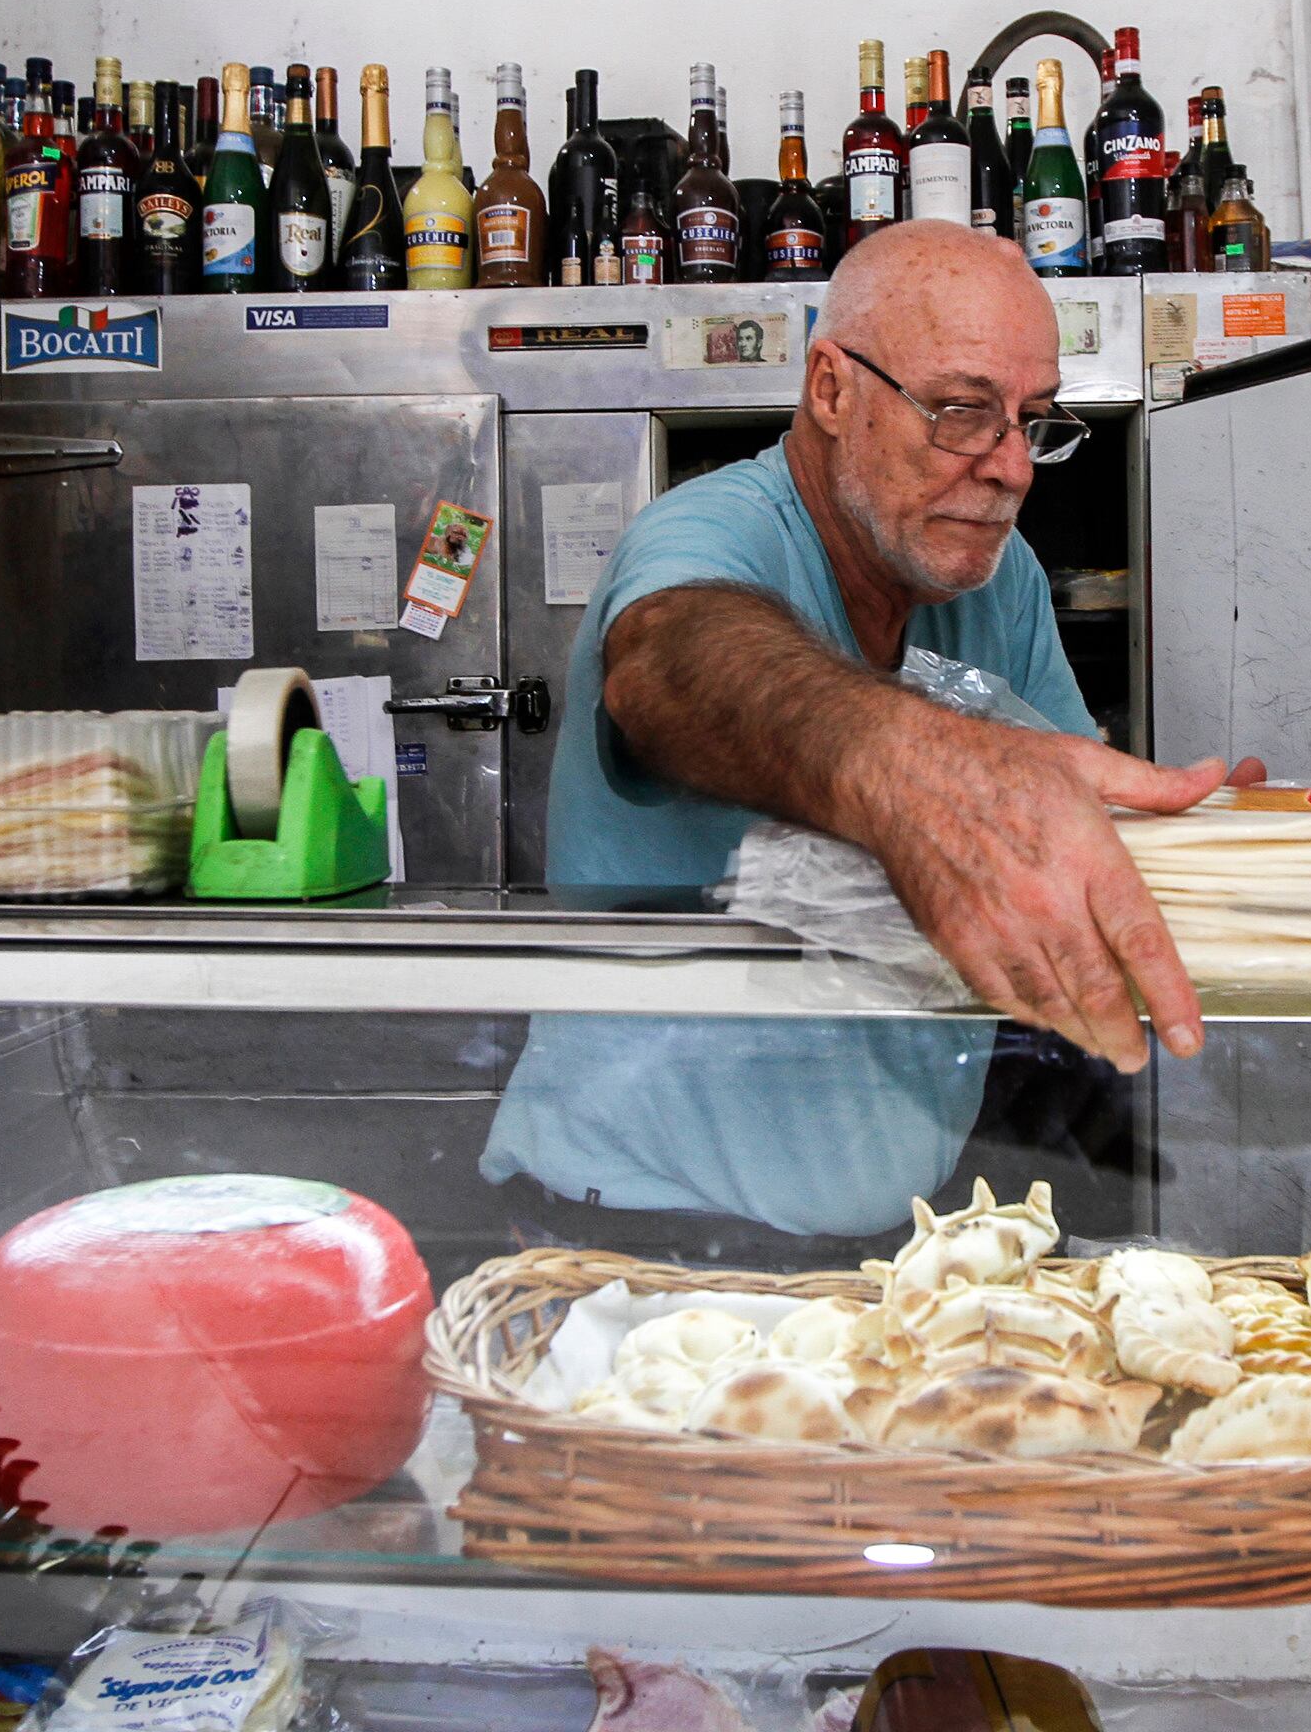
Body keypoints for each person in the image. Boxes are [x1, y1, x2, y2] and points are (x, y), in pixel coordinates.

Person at [479, 220, 1259, 1257]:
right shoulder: (711, 532)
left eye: (1034, 419)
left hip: (891, 1234)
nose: (1014, 467)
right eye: (963, 411)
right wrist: (911, 768)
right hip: (636, 1229)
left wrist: (1230, 853)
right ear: (832, 388)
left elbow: (1065, 816)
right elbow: (672, 664)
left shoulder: (1000, 574)